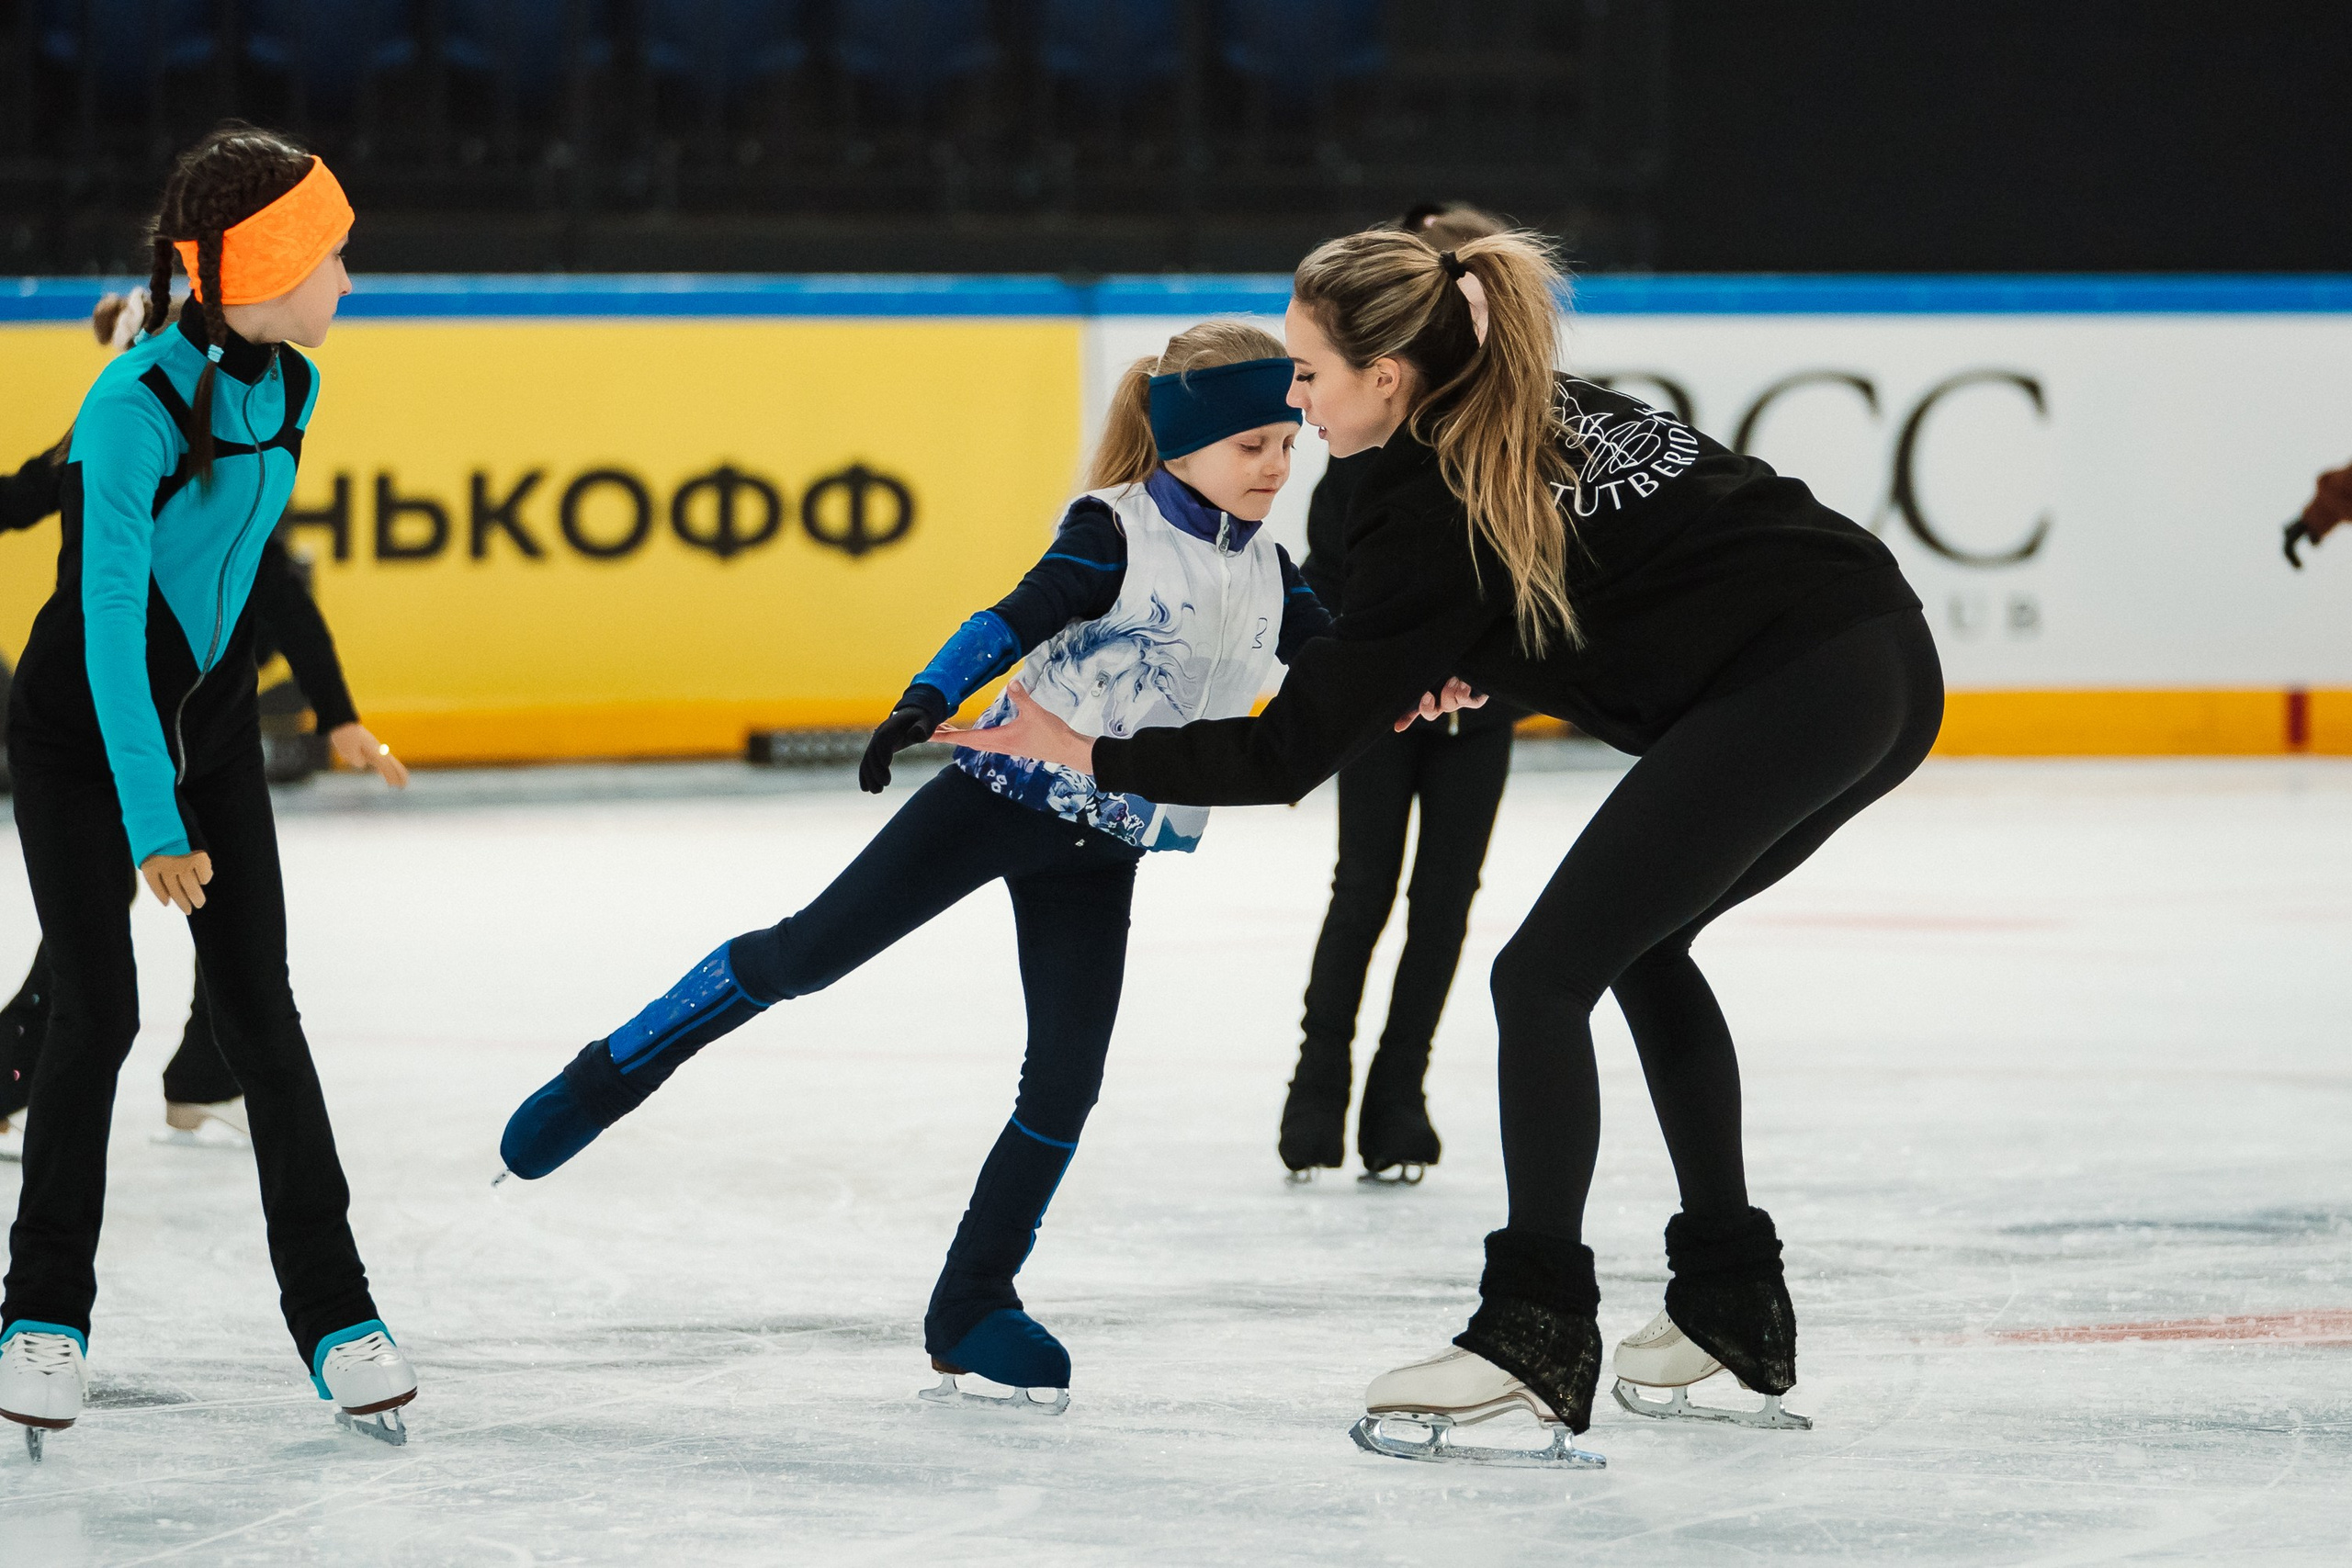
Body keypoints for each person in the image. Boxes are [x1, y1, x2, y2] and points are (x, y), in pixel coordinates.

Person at [944, 227, 1944, 1463]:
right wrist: (1461, 659)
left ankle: (1534, 1328)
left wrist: (1083, 749)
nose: (1292, 398)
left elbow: (1286, 755)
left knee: (1542, 977)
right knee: (1641, 947)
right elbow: (1617, 575)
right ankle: (1731, 1295)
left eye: (1307, 371)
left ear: (1388, 377)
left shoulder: (1426, 498)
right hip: (1883, 655)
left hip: (1804, 681)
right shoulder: (1520, 400)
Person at [497, 321, 1331, 1413]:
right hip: (992, 803)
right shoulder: (1114, 533)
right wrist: (924, 699)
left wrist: (1429, 685)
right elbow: (1015, 616)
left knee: (1066, 1078)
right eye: (1253, 446)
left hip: (1104, 840)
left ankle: (973, 1306)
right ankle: (606, 1075)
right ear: (1181, 446)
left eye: (1286, 443)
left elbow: (1340, 661)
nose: (1277, 466)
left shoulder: (1270, 567)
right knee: (806, 957)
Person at [0, 123, 417, 1461]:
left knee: (258, 1013)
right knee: (99, 1008)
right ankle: (42, 1311)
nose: (350, 278)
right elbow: (112, 626)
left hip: (214, 734)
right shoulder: (131, 406)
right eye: (333, 255)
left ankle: (338, 1312)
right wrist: (154, 818)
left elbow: (259, 582)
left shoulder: (289, 383)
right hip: (77, 738)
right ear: (260, 262)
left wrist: (322, 715)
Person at [0, 291, 409, 1166]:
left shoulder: (244, 439)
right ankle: (15, 1082)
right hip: (110, 723)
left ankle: (201, 1074)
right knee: (93, 941)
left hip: (201, 720)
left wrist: (338, 715)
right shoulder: (115, 432)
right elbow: (31, 515)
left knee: (216, 913)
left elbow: (278, 587)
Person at [1283, 200, 1522, 1184]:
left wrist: (1481, 671)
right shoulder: (1363, 449)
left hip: (1479, 709)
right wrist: (1389, 668)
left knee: (1442, 901)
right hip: (1378, 703)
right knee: (1364, 889)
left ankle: (1398, 1095)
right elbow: (1329, 575)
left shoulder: (1501, 445)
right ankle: (1316, 1088)